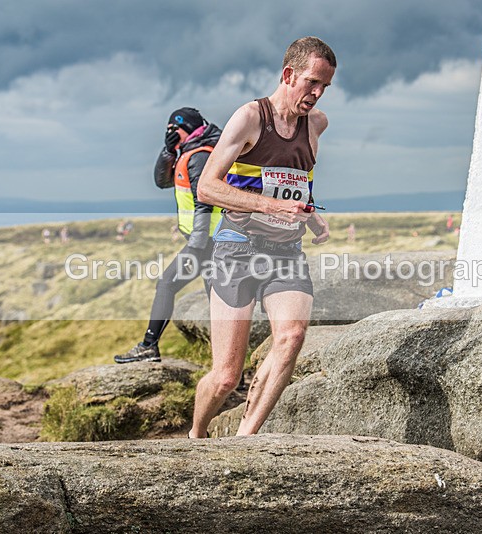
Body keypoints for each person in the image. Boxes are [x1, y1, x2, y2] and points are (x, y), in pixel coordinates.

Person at [189, 36, 336, 438]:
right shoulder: (251, 118)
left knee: (291, 337)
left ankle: (244, 439)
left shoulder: (317, 124)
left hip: (286, 252)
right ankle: (196, 435)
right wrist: (271, 207)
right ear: (289, 74)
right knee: (224, 377)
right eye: (311, 82)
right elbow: (206, 188)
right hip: (237, 249)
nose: (317, 93)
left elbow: (294, 179)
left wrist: (309, 215)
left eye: (324, 86)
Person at [114, 107, 223, 363]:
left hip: (207, 241)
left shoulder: (200, 155)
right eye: (168, 131)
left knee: (167, 284)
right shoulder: (188, 152)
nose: (170, 133)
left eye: (174, 129)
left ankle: (148, 346)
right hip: (208, 240)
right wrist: (168, 151)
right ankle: (232, 372)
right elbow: (162, 181)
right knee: (216, 303)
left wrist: (197, 243)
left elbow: (203, 200)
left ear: (189, 128)